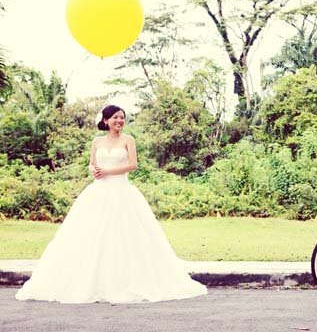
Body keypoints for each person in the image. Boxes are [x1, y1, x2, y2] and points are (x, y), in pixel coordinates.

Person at [16, 105, 207, 303]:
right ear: (106, 120)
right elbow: (91, 163)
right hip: (97, 192)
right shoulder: (97, 141)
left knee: (125, 235)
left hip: (122, 191)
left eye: (122, 118)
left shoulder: (128, 140)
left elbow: (133, 165)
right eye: (115, 117)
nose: (119, 121)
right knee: (90, 235)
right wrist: (94, 170)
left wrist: (107, 171)